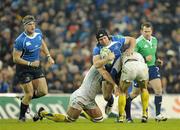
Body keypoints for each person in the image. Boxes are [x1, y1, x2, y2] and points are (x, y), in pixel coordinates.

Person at [32, 29, 135, 123]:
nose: (103, 41)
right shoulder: (100, 66)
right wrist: (107, 60)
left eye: (104, 38)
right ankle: (43, 113)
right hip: (81, 97)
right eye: (101, 39)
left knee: (99, 120)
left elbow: (108, 79)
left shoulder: (108, 68)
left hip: (90, 100)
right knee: (69, 120)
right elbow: (100, 68)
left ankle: (84, 112)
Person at [13, 15, 55, 122]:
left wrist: (48, 56)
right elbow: (15, 58)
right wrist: (30, 63)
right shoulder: (20, 40)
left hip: (35, 67)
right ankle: (22, 117)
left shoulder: (38, 33)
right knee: (29, 93)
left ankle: (24, 100)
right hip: (24, 69)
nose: (32, 26)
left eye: (33, 24)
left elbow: (42, 43)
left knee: (43, 91)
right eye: (30, 24)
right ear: (25, 26)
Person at [125, 22, 167, 122]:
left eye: (149, 31)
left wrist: (157, 59)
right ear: (141, 31)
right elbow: (132, 57)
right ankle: (126, 114)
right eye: (145, 31)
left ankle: (158, 114)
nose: (147, 33)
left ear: (151, 31)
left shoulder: (155, 40)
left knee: (159, 90)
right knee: (134, 94)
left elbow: (153, 53)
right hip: (140, 69)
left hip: (152, 68)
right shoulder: (137, 42)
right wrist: (144, 58)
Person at [116, 52, 149, 123]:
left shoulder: (122, 54)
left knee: (122, 91)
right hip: (141, 66)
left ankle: (121, 117)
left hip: (129, 66)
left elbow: (117, 70)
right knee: (144, 89)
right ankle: (145, 114)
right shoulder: (139, 54)